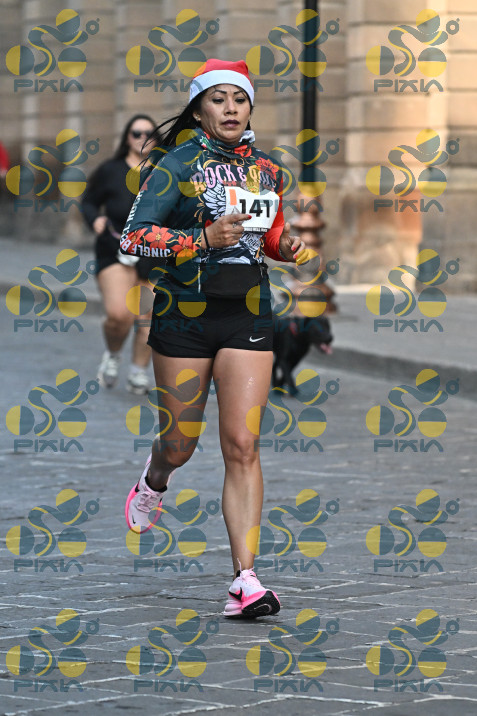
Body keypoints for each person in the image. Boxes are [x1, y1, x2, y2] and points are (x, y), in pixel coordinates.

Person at [120, 60, 308, 617]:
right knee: (180, 444)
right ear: (200, 108)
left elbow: (267, 235)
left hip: (247, 312)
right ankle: (156, 477)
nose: (230, 108)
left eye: (239, 99)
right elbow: (134, 237)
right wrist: (201, 238)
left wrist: (283, 246)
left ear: (250, 108)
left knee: (243, 445)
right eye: (218, 99)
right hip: (184, 315)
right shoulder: (175, 165)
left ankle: (244, 580)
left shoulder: (268, 170)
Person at [81, 114, 157, 394]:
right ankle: (113, 354)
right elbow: (88, 202)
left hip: (154, 252)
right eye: (136, 133)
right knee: (119, 314)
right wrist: (95, 220)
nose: (142, 138)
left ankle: (138, 372)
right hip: (115, 249)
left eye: (149, 133)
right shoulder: (110, 170)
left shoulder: (165, 170)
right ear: (127, 137)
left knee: (149, 318)